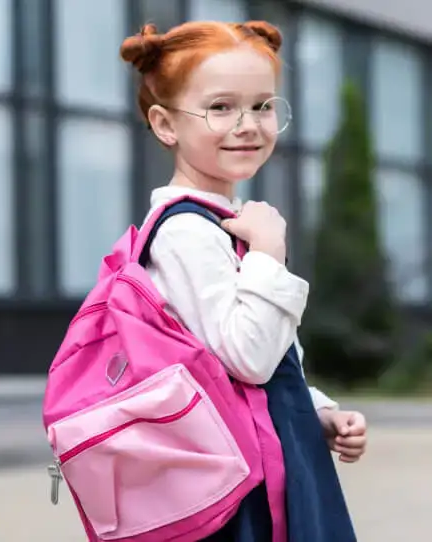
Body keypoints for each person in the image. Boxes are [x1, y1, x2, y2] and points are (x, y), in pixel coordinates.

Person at [119, 20, 367, 541]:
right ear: (165, 125)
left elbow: (266, 358)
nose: (248, 123)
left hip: (264, 455)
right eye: (221, 107)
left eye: (263, 105)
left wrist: (315, 412)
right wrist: (269, 252)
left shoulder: (222, 222)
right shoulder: (186, 231)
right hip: (244, 486)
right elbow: (247, 359)